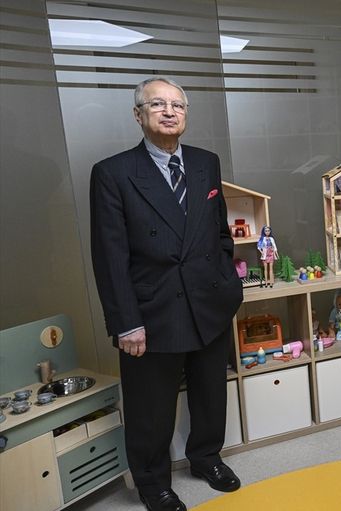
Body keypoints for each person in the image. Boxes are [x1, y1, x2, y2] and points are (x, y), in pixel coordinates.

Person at [90, 77, 244, 511]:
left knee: (211, 393)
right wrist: (126, 322)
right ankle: (153, 483)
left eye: (177, 105)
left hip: (208, 302)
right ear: (138, 115)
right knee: (150, 407)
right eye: (157, 104)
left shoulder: (205, 162)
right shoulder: (113, 173)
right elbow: (109, 256)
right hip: (151, 311)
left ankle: (206, 458)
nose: (169, 111)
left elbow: (219, 232)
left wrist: (227, 284)